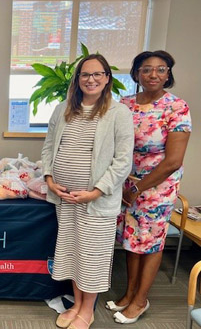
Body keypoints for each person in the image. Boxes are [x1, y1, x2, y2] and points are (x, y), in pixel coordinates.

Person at [42, 54, 134, 329]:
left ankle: (87, 310)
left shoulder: (119, 114)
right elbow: (48, 147)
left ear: (107, 78)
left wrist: (96, 191)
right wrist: (49, 178)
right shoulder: (63, 109)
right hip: (66, 198)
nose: (91, 79)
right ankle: (76, 305)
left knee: (92, 256)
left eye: (97, 74)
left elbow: (122, 161)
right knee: (72, 252)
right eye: (85, 74)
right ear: (78, 79)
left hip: (96, 201)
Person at [108, 51, 192, 324]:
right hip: (127, 183)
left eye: (160, 69)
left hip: (158, 188)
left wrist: (139, 187)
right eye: (146, 69)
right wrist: (123, 183)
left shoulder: (176, 107)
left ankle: (141, 300)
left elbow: (174, 160)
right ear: (136, 74)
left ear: (168, 74)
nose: (153, 75)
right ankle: (129, 294)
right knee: (132, 240)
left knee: (151, 244)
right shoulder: (125, 104)